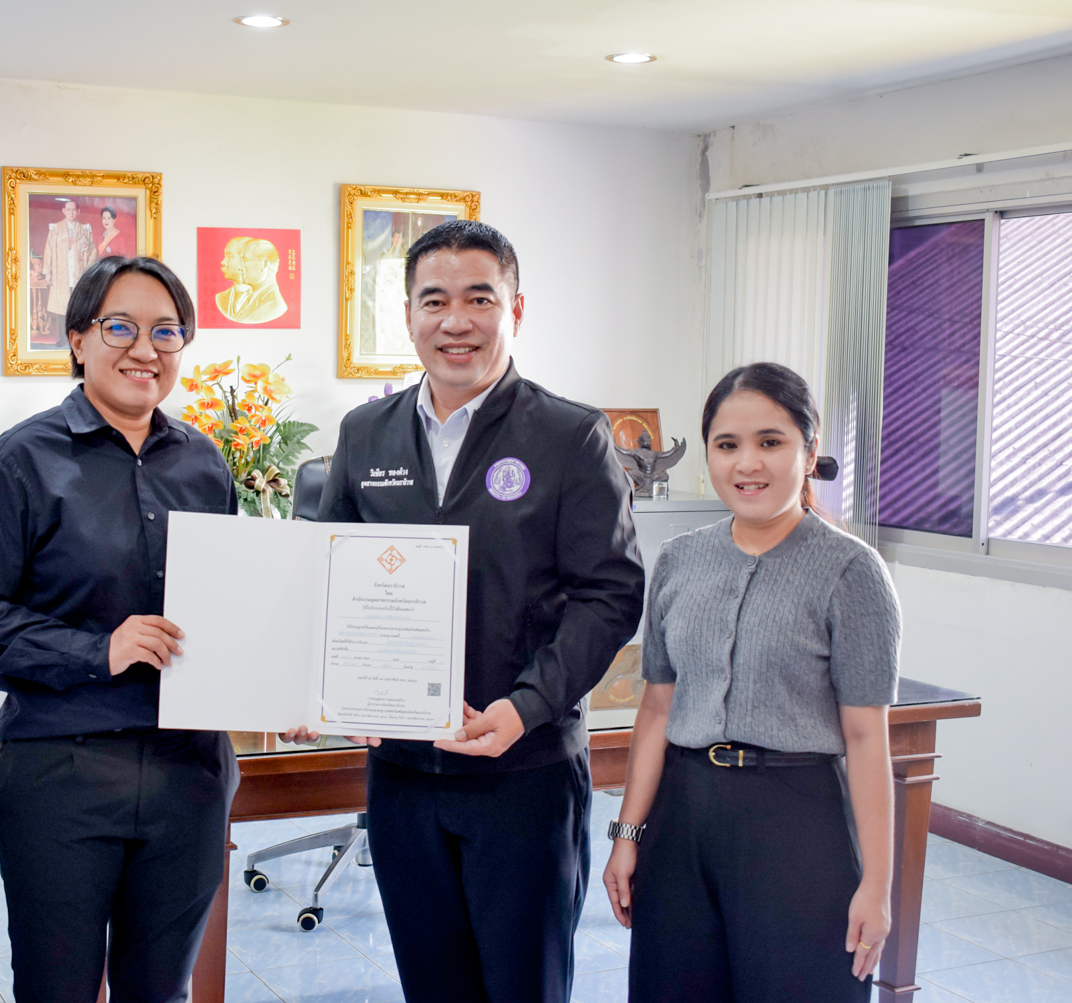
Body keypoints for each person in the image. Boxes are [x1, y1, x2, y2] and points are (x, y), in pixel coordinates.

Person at [296, 220, 646, 1003]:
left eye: (479, 298)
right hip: (402, 778)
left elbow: (612, 594)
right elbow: (325, 576)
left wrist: (526, 706)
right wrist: (326, 687)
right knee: (433, 985)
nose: (456, 320)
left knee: (522, 986)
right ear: (409, 315)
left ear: (514, 309)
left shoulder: (570, 436)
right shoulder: (365, 433)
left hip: (522, 773)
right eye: (435, 300)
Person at [0, 256, 238, 1003]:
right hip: (63, 773)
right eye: (120, 327)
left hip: (188, 774)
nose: (146, 349)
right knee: (57, 988)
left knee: (160, 990)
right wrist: (97, 650)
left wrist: (280, 680)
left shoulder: (204, 462)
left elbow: (232, 602)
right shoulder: (24, 458)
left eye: (166, 331)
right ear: (77, 338)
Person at [602, 362, 899, 1002]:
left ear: (809, 452)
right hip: (682, 821)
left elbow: (866, 739)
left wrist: (877, 885)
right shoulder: (679, 560)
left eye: (771, 441)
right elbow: (656, 710)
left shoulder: (852, 572)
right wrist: (627, 837)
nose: (747, 464)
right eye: (727, 444)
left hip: (798, 824)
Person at [42, 199, 97, 347]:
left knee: (78, 307)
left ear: (78, 212)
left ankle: (79, 338)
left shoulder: (85, 229)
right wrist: (48, 272)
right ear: (64, 211)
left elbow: (92, 253)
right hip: (61, 275)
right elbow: (48, 251)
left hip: (79, 275)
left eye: (74, 210)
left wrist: (89, 274)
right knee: (62, 308)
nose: (71, 213)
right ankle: (63, 338)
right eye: (68, 209)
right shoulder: (55, 229)